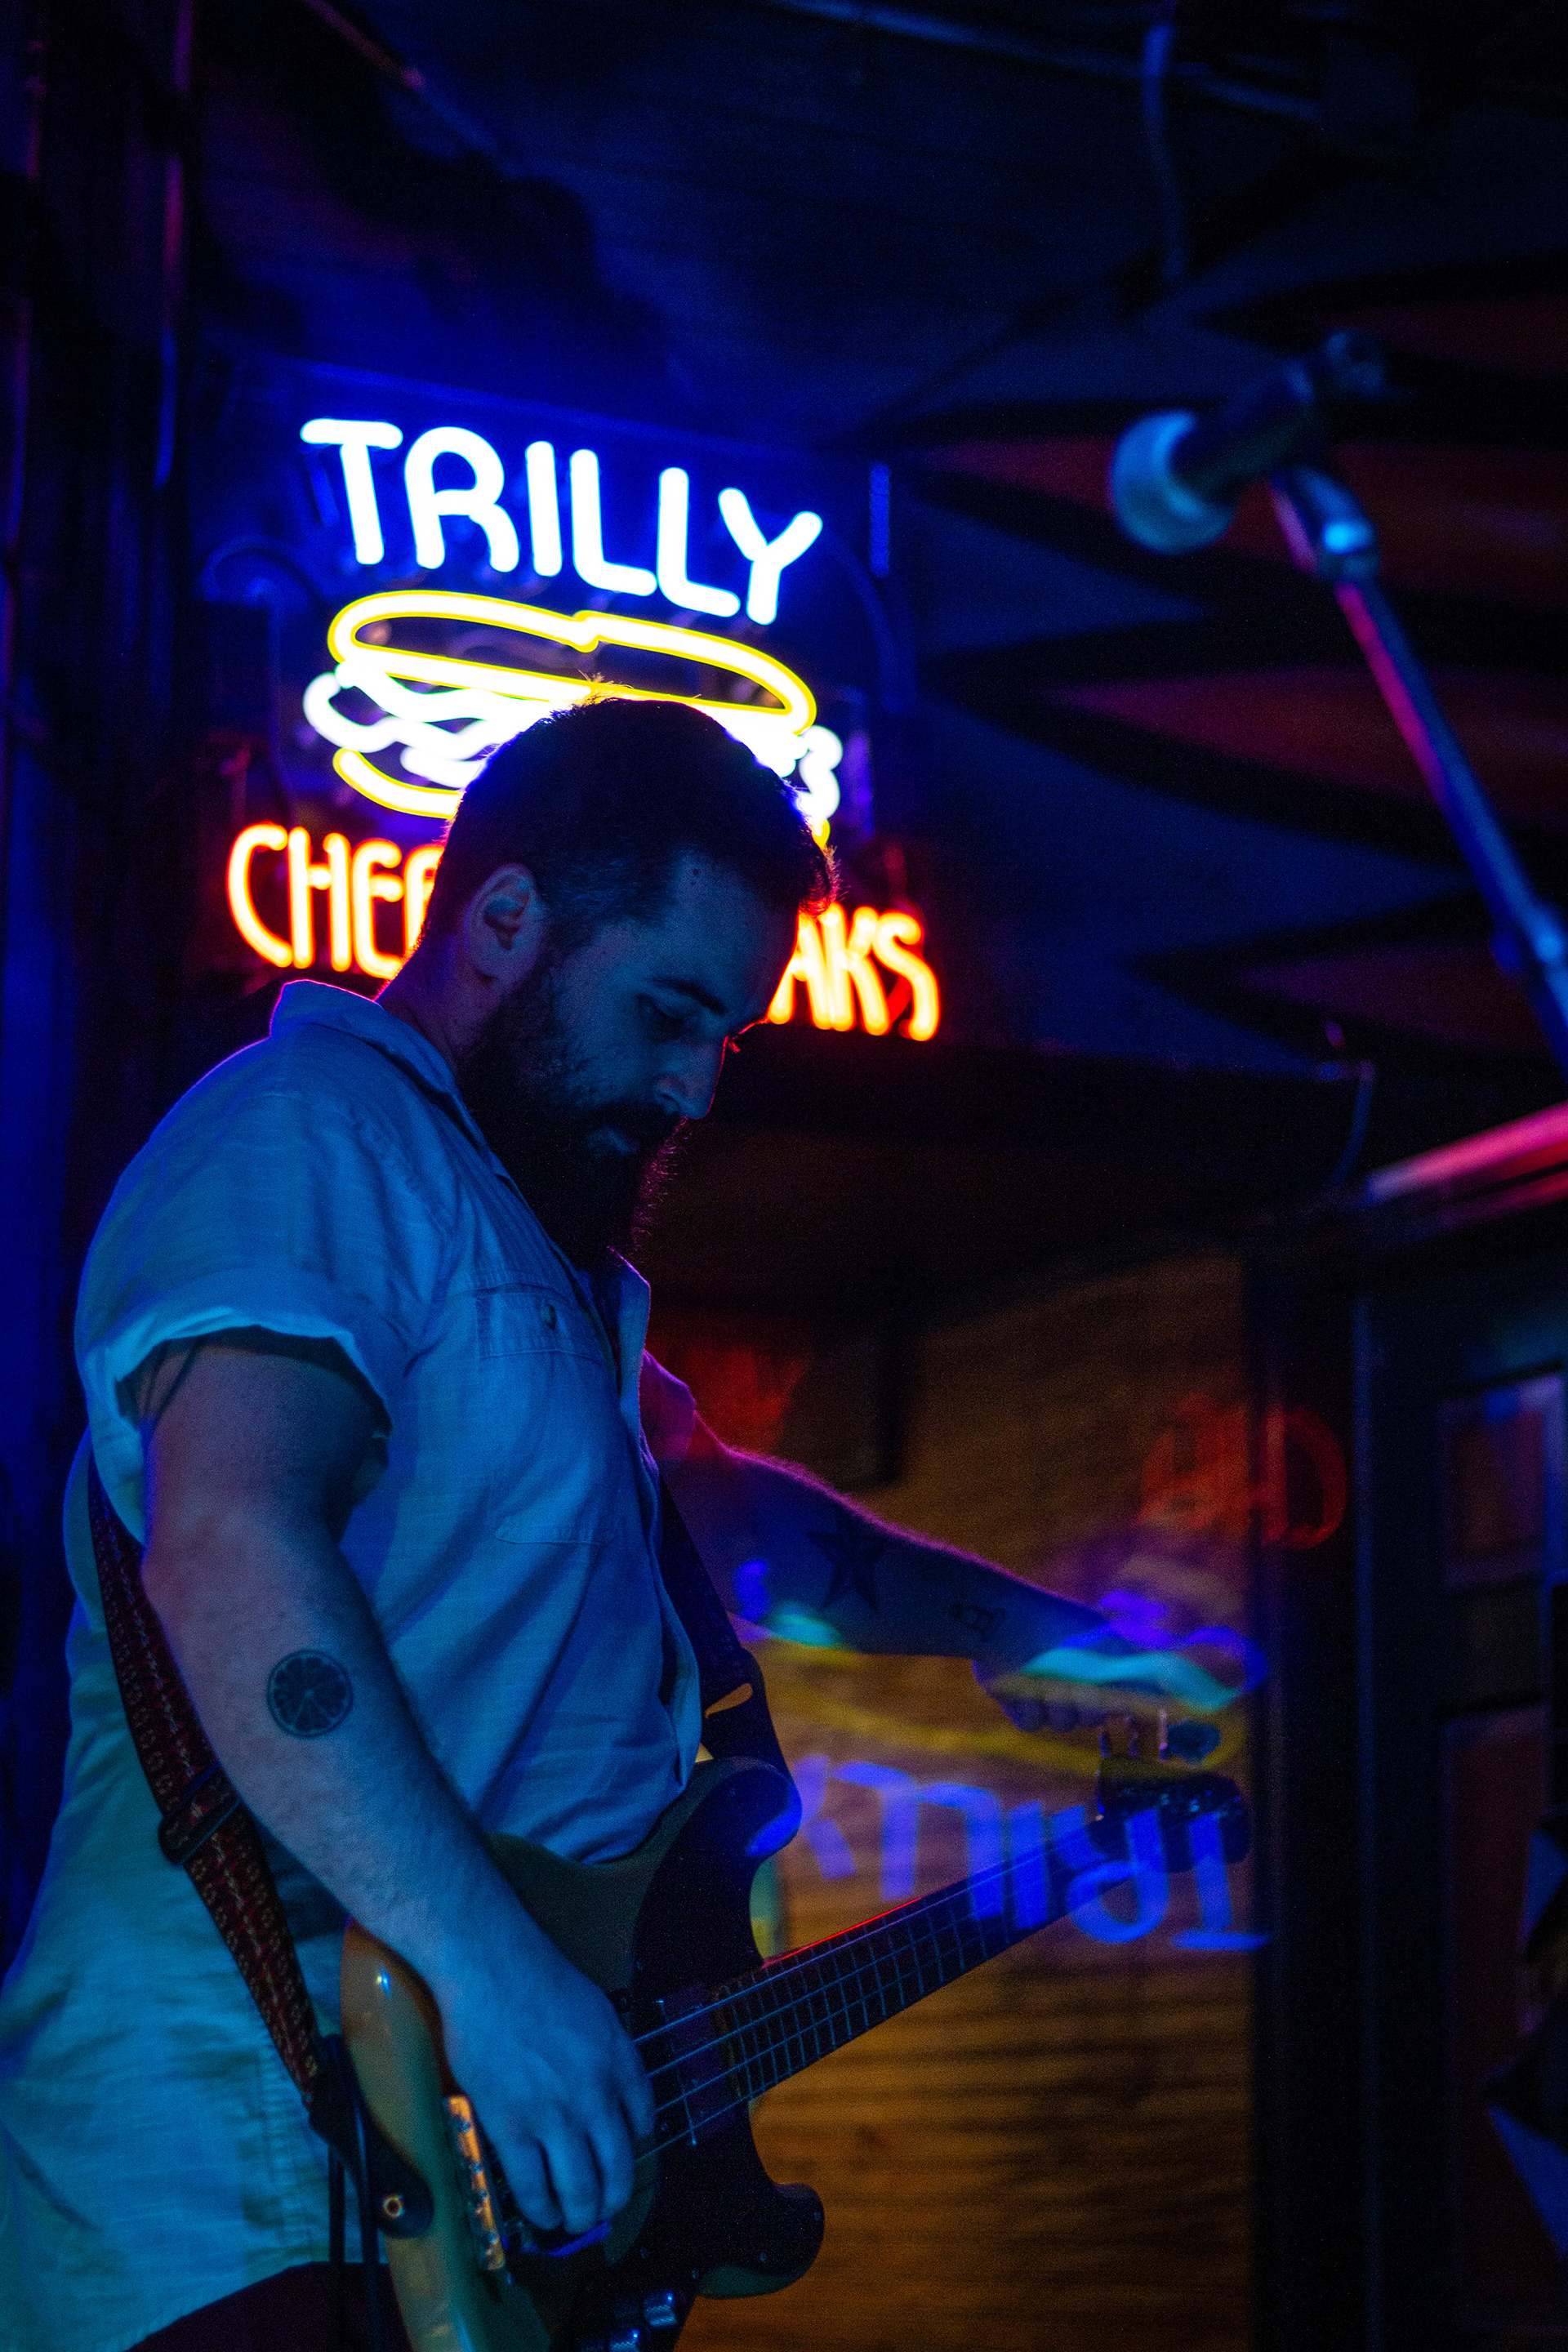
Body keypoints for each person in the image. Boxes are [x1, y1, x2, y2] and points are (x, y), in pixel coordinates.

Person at [0, 697, 1136, 2352]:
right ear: (506, 923)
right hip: (249, 2189)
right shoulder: (314, 1132)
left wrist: (1036, 1633)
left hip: (440, 2184)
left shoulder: (521, 1247)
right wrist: (502, 1981)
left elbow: (725, 1526)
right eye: (668, 1010)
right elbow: (232, 1541)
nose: (693, 1084)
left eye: (723, 1039)